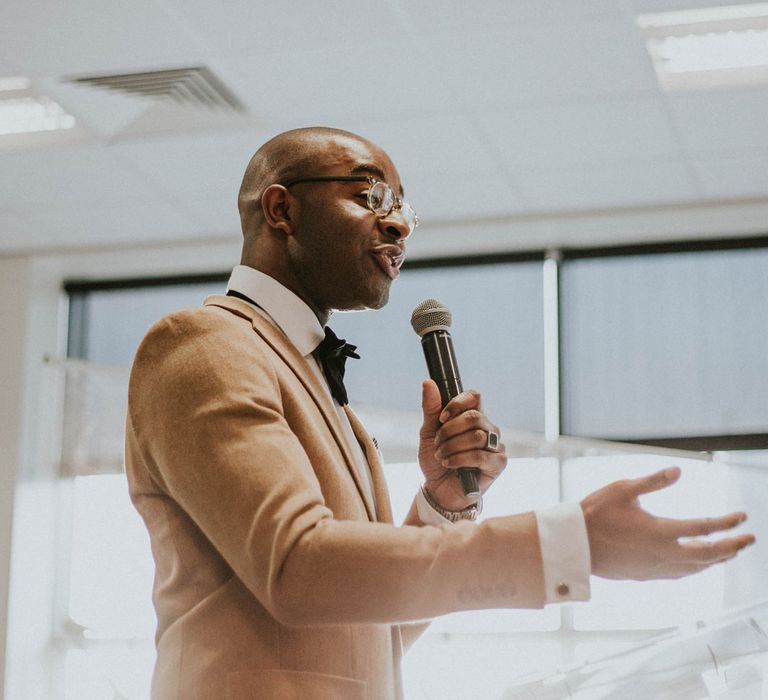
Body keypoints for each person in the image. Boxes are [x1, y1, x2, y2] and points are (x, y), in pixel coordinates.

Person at [124, 127, 755, 700]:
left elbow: (369, 623)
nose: (398, 226)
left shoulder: (315, 377)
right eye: (372, 196)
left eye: (405, 210)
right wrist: (566, 543)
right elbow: (298, 568)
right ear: (281, 209)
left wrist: (444, 506)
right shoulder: (203, 344)